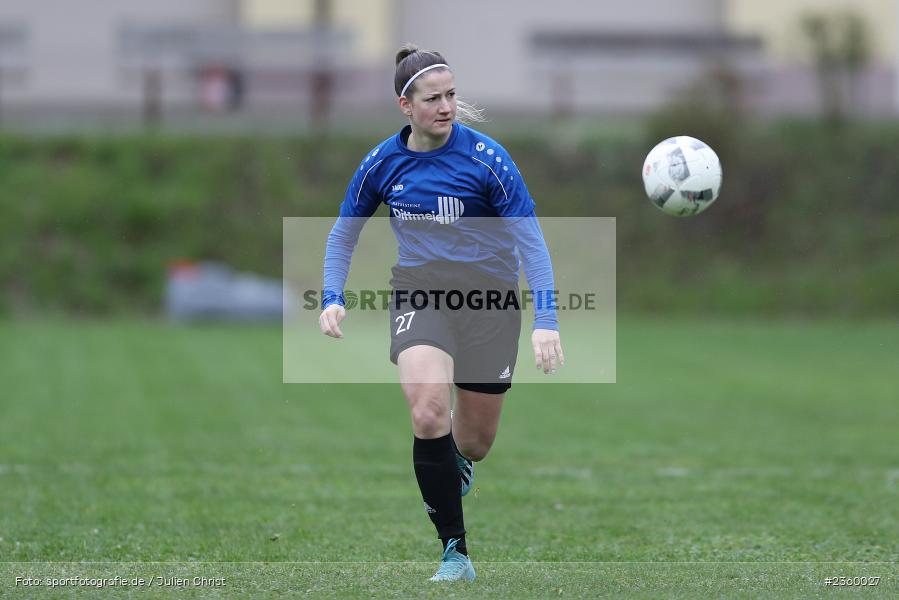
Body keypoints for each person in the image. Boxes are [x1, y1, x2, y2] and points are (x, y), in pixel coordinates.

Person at [318, 43, 563, 582]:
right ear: (405, 105)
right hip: (420, 293)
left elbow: (532, 243)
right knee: (428, 409)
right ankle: (455, 552)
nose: (446, 106)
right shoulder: (382, 162)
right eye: (433, 98)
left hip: (490, 302)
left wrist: (546, 320)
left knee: (473, 441)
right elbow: (344, 233)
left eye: (451, 95)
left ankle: (458, 462)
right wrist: (332, 295)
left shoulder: (488, 160)